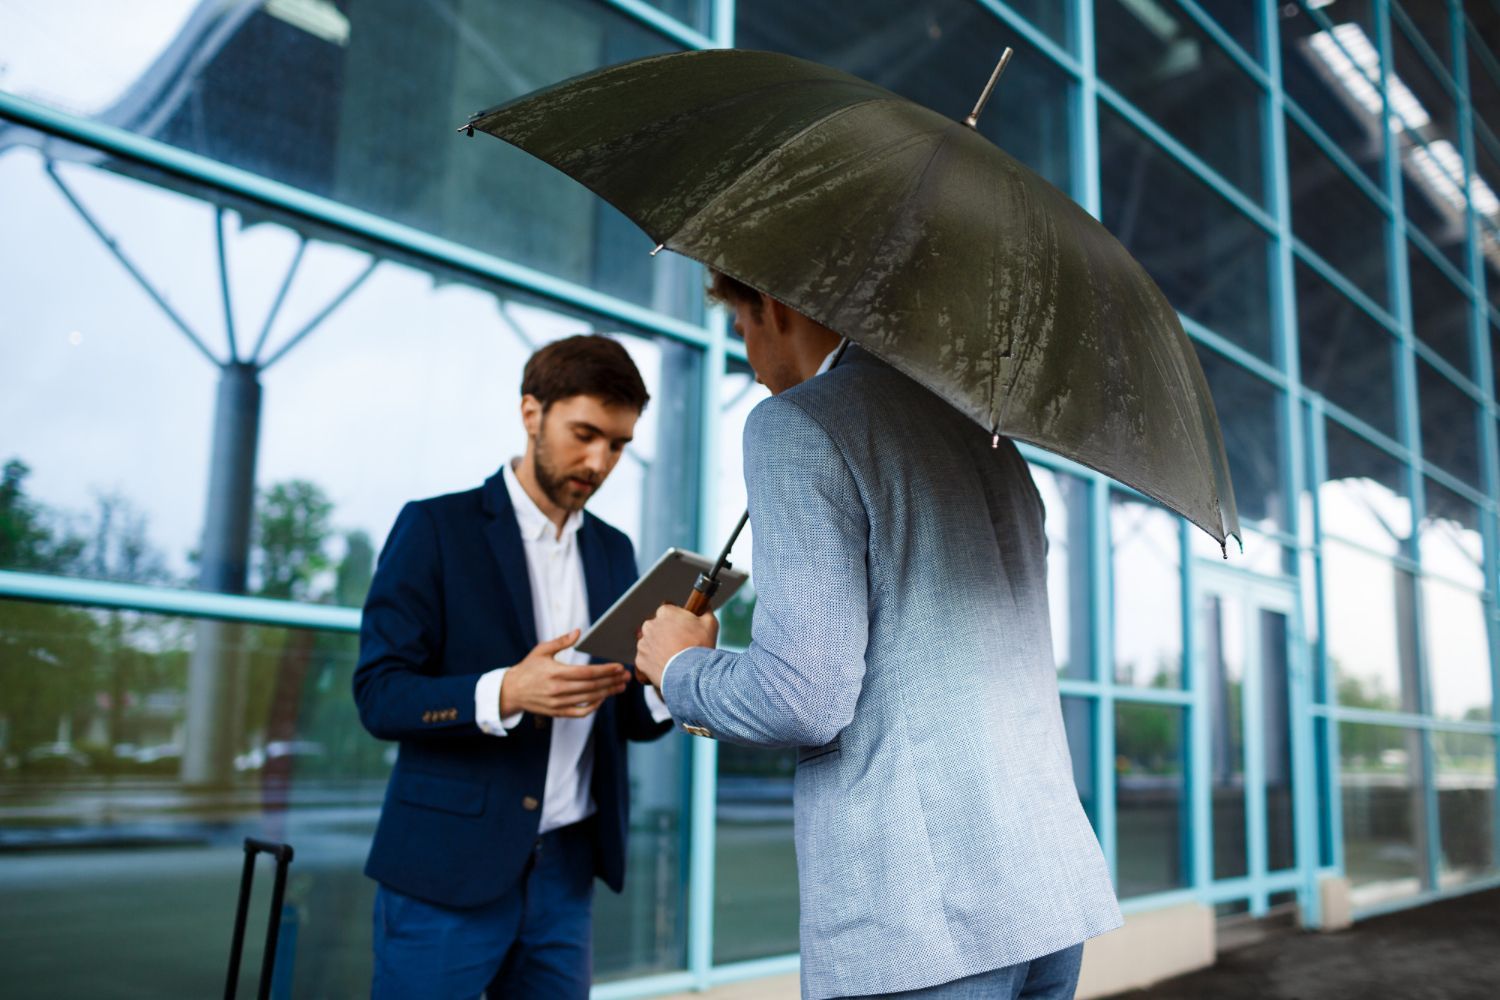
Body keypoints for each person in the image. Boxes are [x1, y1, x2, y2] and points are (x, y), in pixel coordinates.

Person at [635, 276, 1122, 1000]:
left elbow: (801, 697)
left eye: (740, 325)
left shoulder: (796, 425)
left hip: (926, 923)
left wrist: (681, 667)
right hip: (1046, 897)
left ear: (774, 306)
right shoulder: (989, 443)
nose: (748, 355)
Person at [354, 334, 674, 999]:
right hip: (448, 868)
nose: (599, 460)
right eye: (584, 433)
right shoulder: (436, 529)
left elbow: (632, 723)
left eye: (617, 444)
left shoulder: (614, 551)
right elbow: (379, 695)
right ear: (532, 412)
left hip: (566, 869)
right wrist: (506, 690)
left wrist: (670, 670)